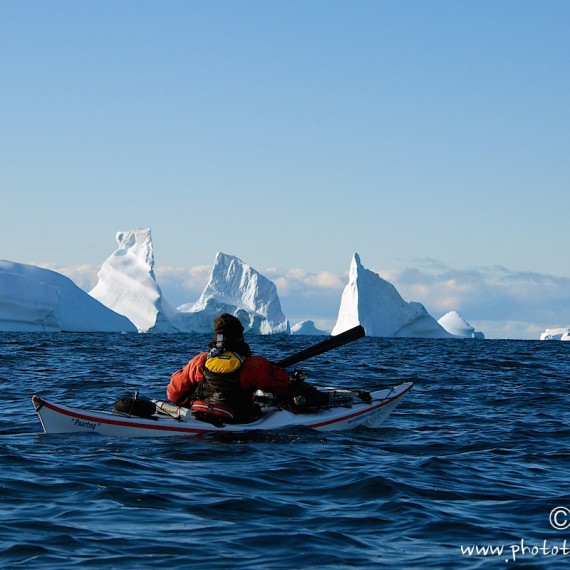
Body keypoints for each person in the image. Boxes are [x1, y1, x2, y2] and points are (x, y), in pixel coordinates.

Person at [167, 313, 291, 424]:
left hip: (199, 414)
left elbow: (174, 394)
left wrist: (188, 402)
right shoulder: (252, 365)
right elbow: (283, 383)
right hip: (236, 421)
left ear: (216, 336)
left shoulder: (200, 360)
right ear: (240, 336)